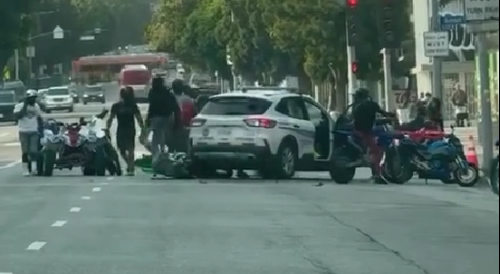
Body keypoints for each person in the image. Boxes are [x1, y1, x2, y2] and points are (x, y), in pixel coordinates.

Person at [351, 88, 394, 184]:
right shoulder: (371, 105)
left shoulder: (356, 105)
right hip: (365, 132)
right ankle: (377, 174)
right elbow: (382, 112)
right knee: (376, 151)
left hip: (356, 130)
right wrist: (391, 115)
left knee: (373, 149)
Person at [107, 86, 145, 176]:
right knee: (122, 149)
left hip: (128, 129)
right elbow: (111, 118)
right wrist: (107, 128)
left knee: (129, 149)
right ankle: (130, 164)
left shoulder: (132, 106)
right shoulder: (117, 106)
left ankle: (131, 167)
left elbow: (138, 118)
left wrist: (143, 128)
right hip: (124, 129)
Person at [147, 75, 180, 161]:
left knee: (155, 138)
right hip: (168, 117)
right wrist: (177, 120)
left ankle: (157, 156)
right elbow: (175, 107)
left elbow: (151, 107)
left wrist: (148, 118)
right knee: (164, 135)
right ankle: (164, 153)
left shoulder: (152, 93)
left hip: (156, 117)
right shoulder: (167, 93)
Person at [13, 89, 43, 176]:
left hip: (33, 131)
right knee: (25, 151)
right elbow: (18, 116)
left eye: (34, 98)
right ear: (27, 98)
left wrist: (41, 128)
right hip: (23, 131)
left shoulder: (36, 106)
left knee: (34, 151)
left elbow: (39, 117)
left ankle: (34, 168)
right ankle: (25, 169)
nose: (33, 100)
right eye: (31, 98)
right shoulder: (19, 106)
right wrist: (25, 105)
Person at [171, 79, 196, 152]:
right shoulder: (189, 99)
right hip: (187, 126)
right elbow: (195, 113)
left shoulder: (170, 98)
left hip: (173, 127)